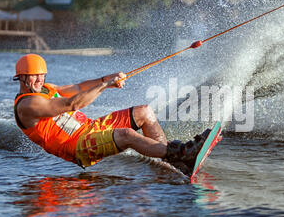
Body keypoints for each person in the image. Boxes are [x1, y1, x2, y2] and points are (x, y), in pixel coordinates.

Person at [13, 54, 209, 175]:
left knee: (144, 112)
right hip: (77, 147)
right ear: (21, 77)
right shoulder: (27, 105)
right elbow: (72, 103)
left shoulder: (47, 88)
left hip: (89, 129)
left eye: (41, 74)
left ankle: (173, 162)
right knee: (126, 135)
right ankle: (182, 153)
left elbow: (80, 87)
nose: (39, 79)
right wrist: (105, 85)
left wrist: (107, 78)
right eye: (33, 75)